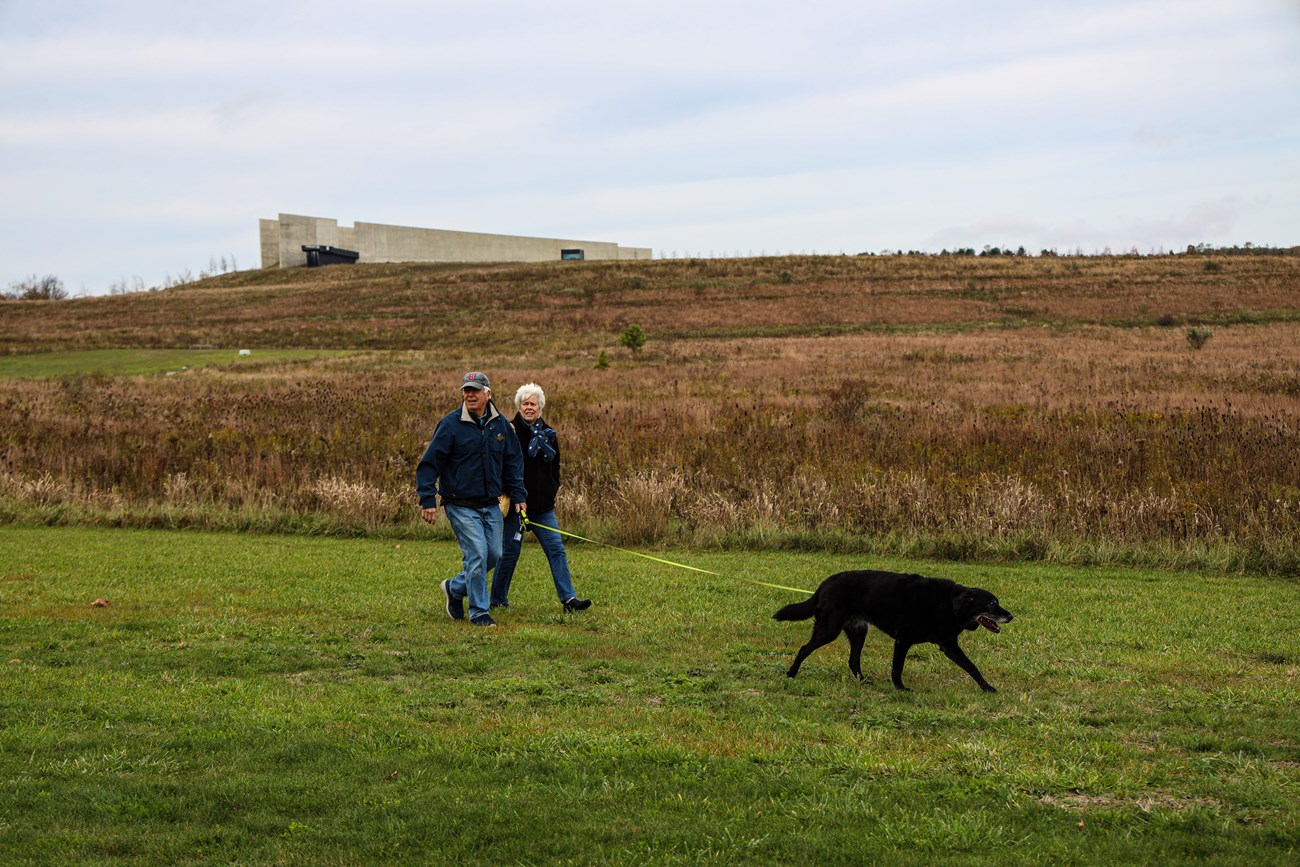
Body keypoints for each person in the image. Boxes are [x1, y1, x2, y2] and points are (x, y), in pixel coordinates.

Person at [416, 371, 527, 628]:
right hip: (459, 504)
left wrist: (519, 495)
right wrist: (427, 499)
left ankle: (455, 588)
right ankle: (479, 613)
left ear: (488, 394)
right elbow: (429, 464)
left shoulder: (500, 426)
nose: (470, 394)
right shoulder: (450, 424)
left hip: (491, 504)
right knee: (477, 554)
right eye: (466, 390)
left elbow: (513, 462)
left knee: (494, 554)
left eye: (475, 390)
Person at [490, 382, 592, 613]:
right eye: (525, 403)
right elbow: (501, 466)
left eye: (533, 404)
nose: (529, 407)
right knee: (509, 553)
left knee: (556, 549)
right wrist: (513, 495)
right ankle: (497, 599)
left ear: (540, 408)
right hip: (517, 505)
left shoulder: (549, 433)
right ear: (519, 406)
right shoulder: (508, 430)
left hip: (543, 507)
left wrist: (551, 489)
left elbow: (555, 467)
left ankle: (569, 600)